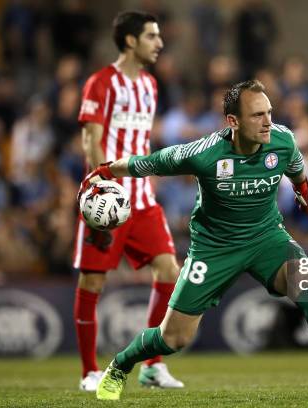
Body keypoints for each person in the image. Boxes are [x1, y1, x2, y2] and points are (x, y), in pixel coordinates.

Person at [78, 80, 308, 400]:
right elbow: (147, 163)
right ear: (233, 122)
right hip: (213, 249)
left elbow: (295, 167)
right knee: (174, 339)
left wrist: (304, 190)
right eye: (256, 115)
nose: (267, 122)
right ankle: (120, 365)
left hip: (266, 238)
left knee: (304, 282)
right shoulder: (204, 154)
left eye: (269, 112)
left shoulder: (282, 140)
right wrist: (106, 171)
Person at [74, 11, 183, 391]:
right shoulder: (101, 83)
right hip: (108, 199)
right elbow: (91, 139)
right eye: (152, 36)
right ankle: (90, 371)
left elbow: (141, 142)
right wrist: (102, 187)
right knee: (92, 280)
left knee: (170, 270)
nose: (160, 43)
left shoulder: (151, 86)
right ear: (131, 41)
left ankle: (151, 365)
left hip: (144, 200)